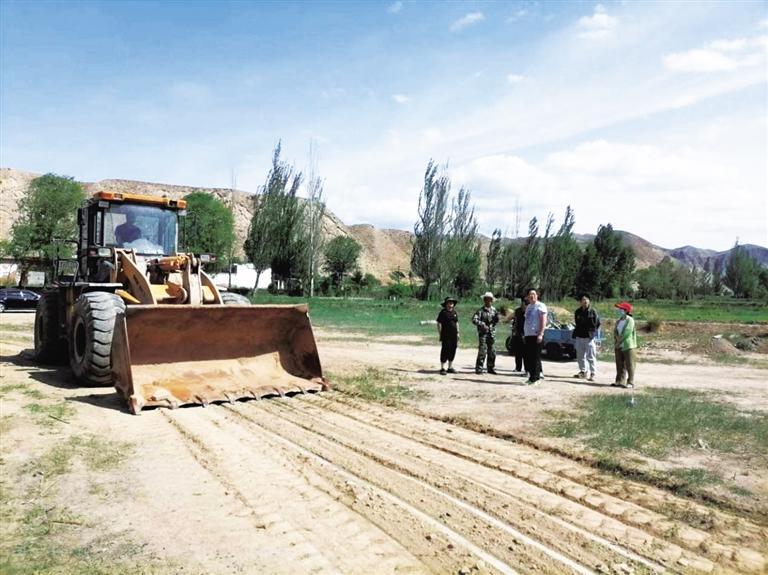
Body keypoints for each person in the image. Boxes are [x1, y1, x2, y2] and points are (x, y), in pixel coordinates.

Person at [572, 294, 601, 382]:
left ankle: (593, 373)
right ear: (580, 302)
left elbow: (598, 323)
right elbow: (577, 323)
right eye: (583, 300)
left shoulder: (593, 311)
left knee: (591, 356)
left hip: (589, 337)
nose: (585, 301)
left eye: (586, 299)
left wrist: (592, 332)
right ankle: (583, 371)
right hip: (579, 336)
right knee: (580, 356)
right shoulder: (577, 312)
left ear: (589, 301)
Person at [523, 288, 547, 385]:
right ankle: (531, 377)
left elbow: (543, 320)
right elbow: (526, 321)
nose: (532, 296)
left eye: (534, 294)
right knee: (529, 357)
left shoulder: (540, 306)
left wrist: (541, 333)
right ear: (527, 297)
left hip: (536, 335)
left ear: (537, 296)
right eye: (530, 294)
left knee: (535, 357)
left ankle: (536, 378)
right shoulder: (528, 307)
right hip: (528, 335)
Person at [472, 292, 499, 374]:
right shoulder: (480, 311)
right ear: (484, 300)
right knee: (482, 351)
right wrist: (482, 324)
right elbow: (474, 320)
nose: (488, 301)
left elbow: (496, 320)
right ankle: (479, 368)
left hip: (492, 333)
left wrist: (498, 318)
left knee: (492, 351)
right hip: (483, 333)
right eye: (487, 299)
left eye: (490, 299)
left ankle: (490, 367)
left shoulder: (494, 310)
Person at [612, 301, 637, 388]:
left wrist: (620, 340)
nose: (619, 310)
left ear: (626, 310)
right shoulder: (619, 320)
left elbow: (627, 331)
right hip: (618, 345)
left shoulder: (630, 320)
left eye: (621, 309)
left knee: (630, 364)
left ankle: (630, 382)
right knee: (619, 364)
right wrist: (616, 339)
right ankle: (619, 381)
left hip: (628, 345)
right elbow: (615, 331)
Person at [436, 296, 460, 375]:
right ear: (446, 304)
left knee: (453, 349)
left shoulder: (454, 312)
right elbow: (439, 323)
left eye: (452, 303)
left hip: (454, 335)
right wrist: (440, 334)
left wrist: (458, 333)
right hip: (446, 335)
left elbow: (456, 323)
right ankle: (442, 368)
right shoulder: (443, 313)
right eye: (449, 303)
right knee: (445, 350)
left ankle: (450, 367)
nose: (450, 305)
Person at [511, 295, 527, 373]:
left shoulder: (529, 310)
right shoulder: (517, 311)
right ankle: (518, 367)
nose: (524, 303)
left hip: (526, 333)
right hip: (518, 332)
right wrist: (514, 330)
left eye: (525, 302)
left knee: (526, 353)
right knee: (518, 351)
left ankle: (527, 369)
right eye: (523, 302)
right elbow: (515, 321)